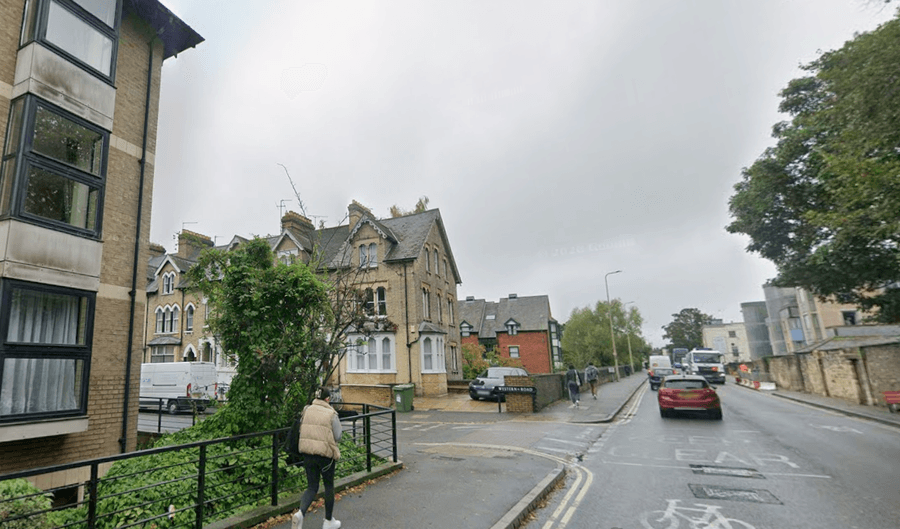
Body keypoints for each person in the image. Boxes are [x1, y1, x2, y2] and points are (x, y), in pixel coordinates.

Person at [292, 387, 343, 529]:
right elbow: (338, 435)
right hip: (325, 456)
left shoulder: (306, 410)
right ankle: (328, 521)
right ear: (327, 399)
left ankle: (300, 514)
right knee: (328, 486)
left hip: (308, 453)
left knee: (312, 487)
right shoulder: (331, 413)